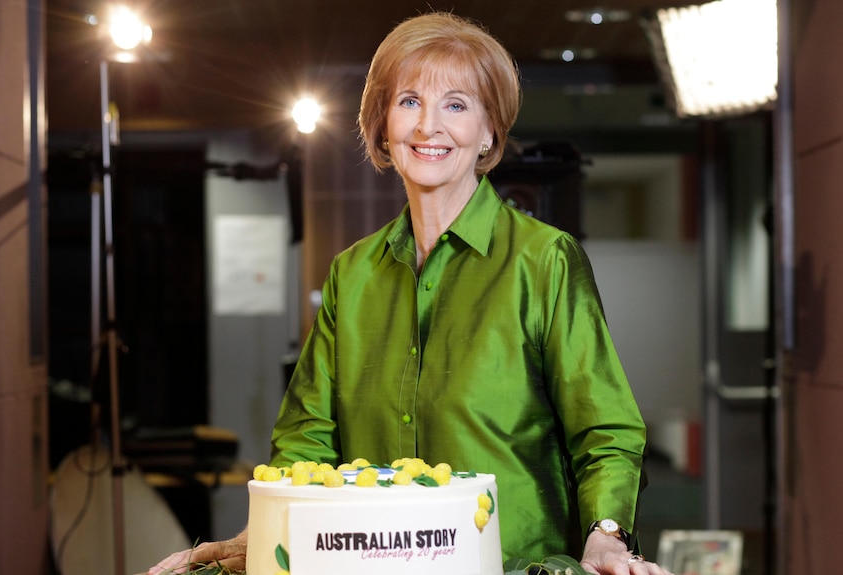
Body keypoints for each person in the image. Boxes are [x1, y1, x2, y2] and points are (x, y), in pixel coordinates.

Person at [148, 11, 672, 575]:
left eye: (456, 104)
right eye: (408, 102)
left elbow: (607, 431)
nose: (428, 126)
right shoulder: (352, 274)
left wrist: (605, 536)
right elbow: (307, 438)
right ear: (382, 125)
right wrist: (259, 535)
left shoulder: (544, 261)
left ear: (489, 130)